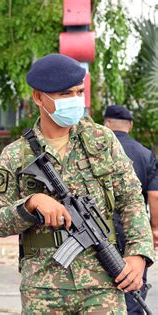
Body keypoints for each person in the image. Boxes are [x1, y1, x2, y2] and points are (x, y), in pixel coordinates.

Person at [0, 53, 155, 314]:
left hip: (103, 282)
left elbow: (132, 199)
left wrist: (139, 253)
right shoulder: (16, 155)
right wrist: (31, 204)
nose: (75, 100)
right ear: (38, 97)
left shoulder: (103, 140)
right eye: (65, 94)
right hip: (43, 289)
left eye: (79, 92)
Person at [104, 104, 158, 314]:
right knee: (133, 292)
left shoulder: (97, 150)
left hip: (100, 231)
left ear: (107, 123)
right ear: (131, 125)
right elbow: (154, 195)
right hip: (133, 231)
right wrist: (154, 229)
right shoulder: (145, 154)